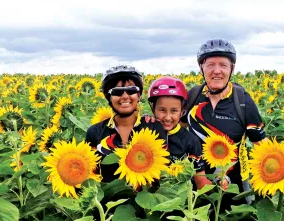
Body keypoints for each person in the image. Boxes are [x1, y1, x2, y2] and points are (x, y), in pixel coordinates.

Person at [182, 39, 266, 200]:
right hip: (195, 188)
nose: (217, 71)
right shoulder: (193, 96)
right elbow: (178, 131)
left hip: (235, 189)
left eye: (223, 65)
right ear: (201, 68)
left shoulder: (243, 101)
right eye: (210, 65)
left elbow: (261, 147)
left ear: (232, 69)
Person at [85, 65, 167, 182]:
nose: (125, 96)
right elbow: (91, 172)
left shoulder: (153, 127)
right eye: (117, 92)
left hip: (148, 194)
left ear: (138, 95)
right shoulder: (95, 132)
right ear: (109, 97)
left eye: (131, 90)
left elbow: (162, 167)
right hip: (109, 198)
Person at [147, 76, 211, 189]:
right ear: (153, 109)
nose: (167, 117)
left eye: (174, 111)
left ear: (182, 111)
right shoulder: (146, 133)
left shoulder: (190, 140)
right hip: (152, 195)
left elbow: (200, 179)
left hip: (182, 198)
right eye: (162, 110)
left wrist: (217, 188)